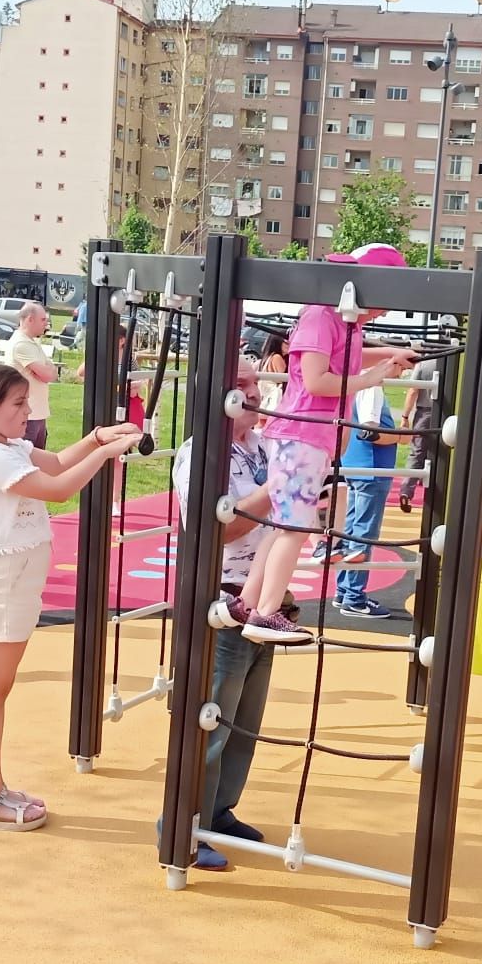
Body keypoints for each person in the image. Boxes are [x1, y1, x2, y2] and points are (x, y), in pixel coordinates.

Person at [0, 364, 138, 829]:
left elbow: (55, 463)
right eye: (18, 404)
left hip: (13, 579)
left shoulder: (8, 446)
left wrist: (95, 438)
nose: (28, 411)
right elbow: (58, 489)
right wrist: (109, 452)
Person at [213, 246, 415, 644]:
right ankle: (265, 614)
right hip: (299, 435)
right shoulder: (322, 315)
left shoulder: (347, 323)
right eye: (386, 299)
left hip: (311, 439)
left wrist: (390, 355)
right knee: (294, 526)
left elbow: (349, 359)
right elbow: (316, 379)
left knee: (283, 524)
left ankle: (247, 603)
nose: (386, 312)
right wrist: (372, 377)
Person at [171, 361, 275, 869]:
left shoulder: (261, 447)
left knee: (245, 719)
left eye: (256, 382)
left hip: (263, 599)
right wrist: (281, 489)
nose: (254, 392)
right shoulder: (200, 456)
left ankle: (218, 810)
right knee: (211, 716)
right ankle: (185, 820)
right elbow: (217, 529)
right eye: (243, 384)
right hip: (222, 599)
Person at [335, 379, 408, 619]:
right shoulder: (371, 387)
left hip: (355, 465)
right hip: (372, 468)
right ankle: (353, 598)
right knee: (363, 533)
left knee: (352, 530)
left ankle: (344, 590)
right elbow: (370, 432)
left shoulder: (352, 384)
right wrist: (400, 436)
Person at [3, 301, 59, 448]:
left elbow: (52, 373)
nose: (46, 324)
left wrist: (47, 372)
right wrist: (47, 372)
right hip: (27, 415)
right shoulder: (21, 344)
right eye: (43, 320)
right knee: (27, 461)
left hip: (37, 413)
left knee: (38, 461)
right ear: (30, 319)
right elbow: (48, 375)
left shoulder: (31, 343)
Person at [395, 358, 437, 515]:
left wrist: (405, 417)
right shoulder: (453, 362)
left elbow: (413, 391)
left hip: (424, 412)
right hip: (447, 412)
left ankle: (406, 490)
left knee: (417, 451)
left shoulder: (424, 364)